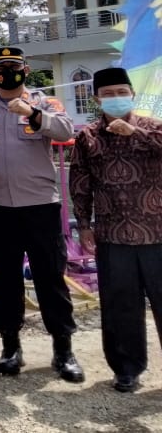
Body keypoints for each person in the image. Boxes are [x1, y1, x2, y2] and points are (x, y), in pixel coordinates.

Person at [0, 46, 82, 382]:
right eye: (0, 68)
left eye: (14, 67)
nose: (7, 73)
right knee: (3, 280)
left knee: (50, 277)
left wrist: (32, 113)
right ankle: (10, 346)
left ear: (25, 70)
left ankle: (63, 349)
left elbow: (65, 131)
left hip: (40, 204)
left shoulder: (45, 103)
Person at [70, 66, 162, 393]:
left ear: (132, 95)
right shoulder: (88, 136)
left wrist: (133, 133)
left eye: (121, 92)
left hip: (157, 233)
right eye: (107, 94)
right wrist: (83, 225)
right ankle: (126, 368)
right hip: (112, 235)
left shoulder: (153, 127)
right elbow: (80, 184)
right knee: (120, 306)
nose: (115, 98)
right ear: (97, 98)